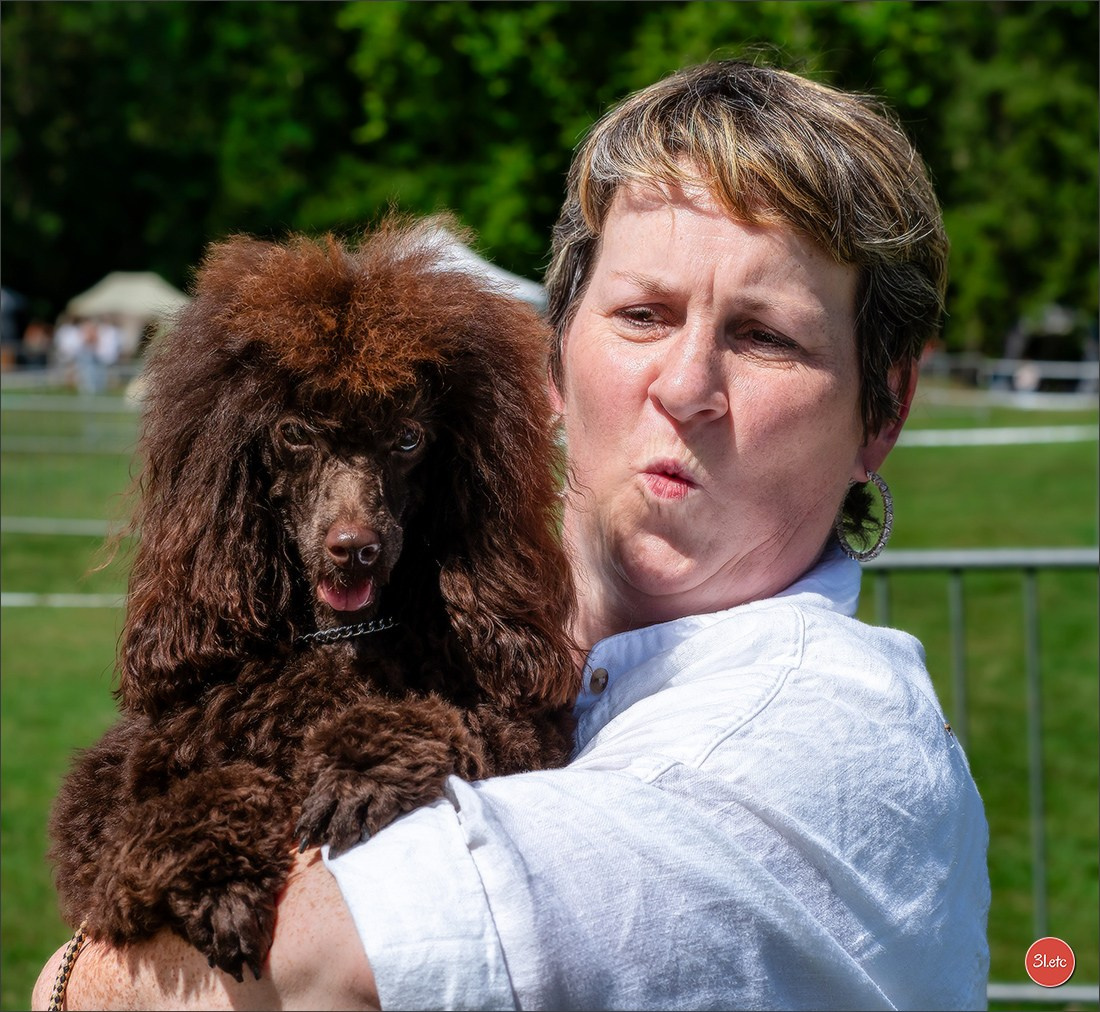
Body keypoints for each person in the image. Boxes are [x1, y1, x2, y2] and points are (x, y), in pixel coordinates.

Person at [33, 59, 989, 1011]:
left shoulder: (828, 747)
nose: (687, 387)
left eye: (764, 336)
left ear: (884, 407)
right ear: (554, 368)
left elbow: (312, 967)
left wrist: (72, 979)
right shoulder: (452, 630)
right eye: (642, 315)